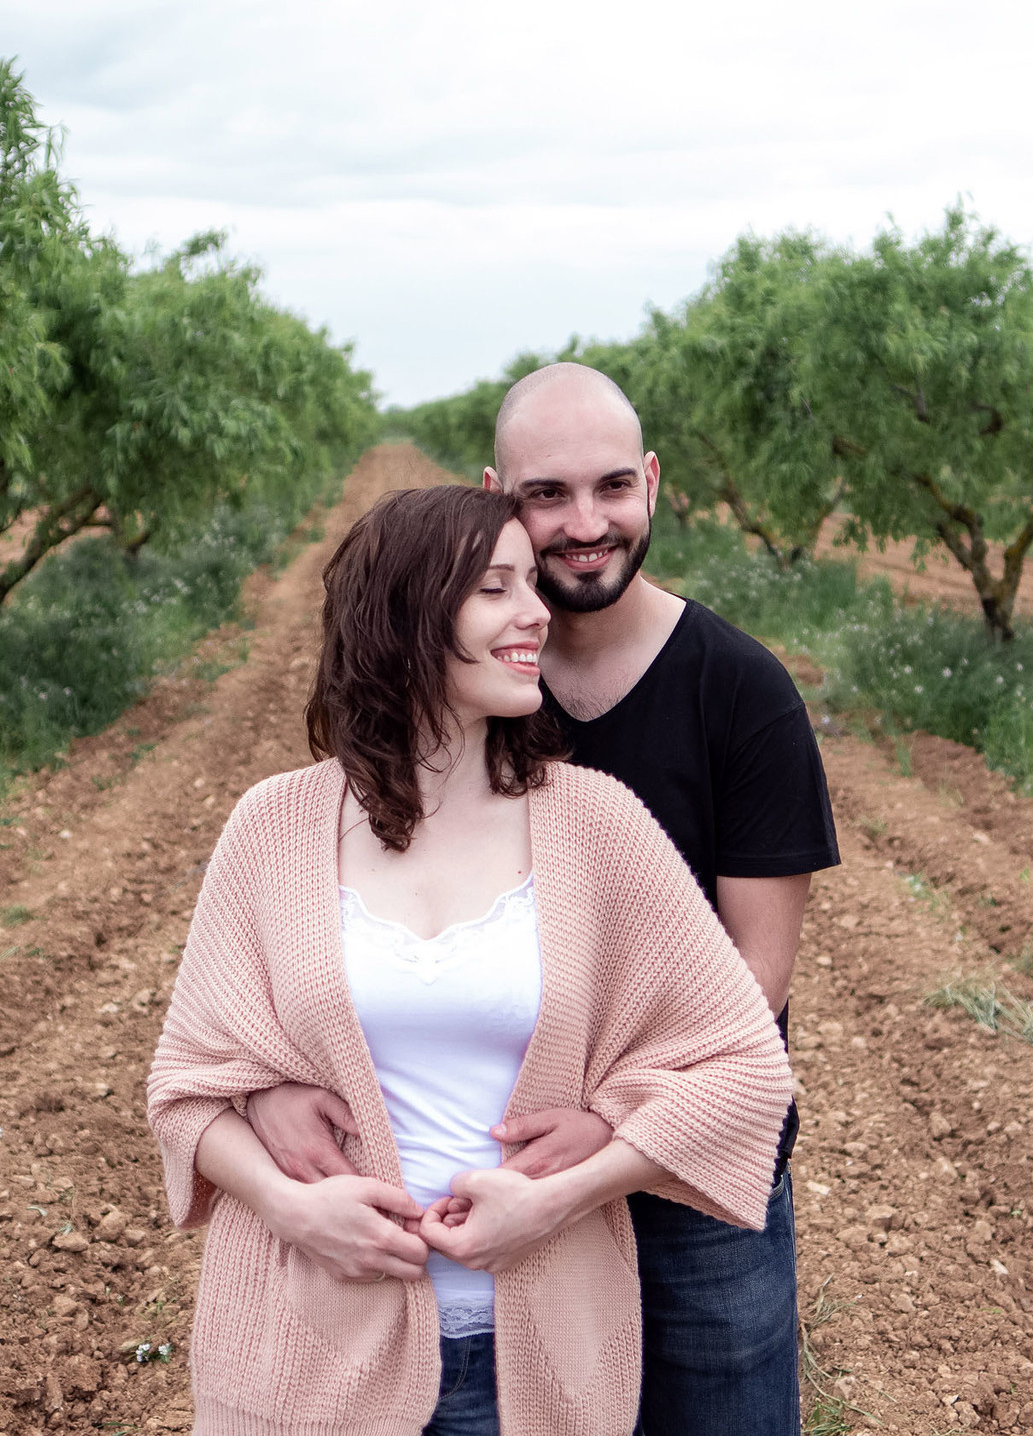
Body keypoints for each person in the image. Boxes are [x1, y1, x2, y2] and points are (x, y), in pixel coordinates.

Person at [251, 366, 839, 1435]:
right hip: (495, 1188)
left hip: (682, 1183)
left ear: (652, 483)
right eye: (546, 496)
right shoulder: (469, 710)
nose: (583, 525)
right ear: (495, 499)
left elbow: (752, 977)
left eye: (612, 487)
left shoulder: (738, 694)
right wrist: (262, 1091)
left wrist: (607, 1123)